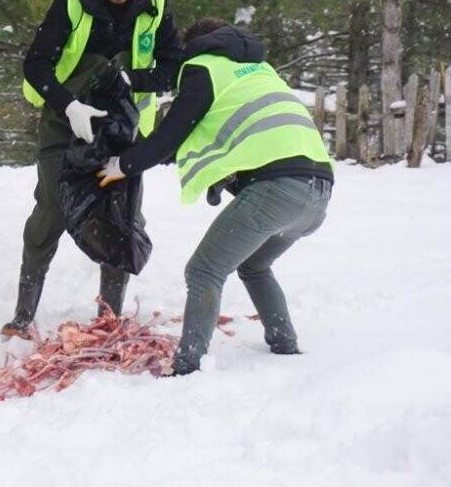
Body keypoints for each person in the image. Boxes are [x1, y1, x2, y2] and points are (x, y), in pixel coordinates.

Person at [97, 18, 334, 375]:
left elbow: (171, 134)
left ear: (196, 44)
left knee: (204, 271)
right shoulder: (260, 69)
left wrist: (123, 165)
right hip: (318, 193)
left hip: (278, 188)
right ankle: (283, 342)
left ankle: (188, 364)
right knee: (254, 265)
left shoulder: (203, 66)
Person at [1, 0, 181, 339]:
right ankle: (22, 317)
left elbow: (173, 68)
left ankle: (109, 319)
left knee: (120, 216)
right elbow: (36, 65)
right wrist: (69, 105)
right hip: (65, 120)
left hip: (123, 130)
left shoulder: (156, 4)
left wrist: (131, 79)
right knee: (52, 208)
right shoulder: (71, 0)